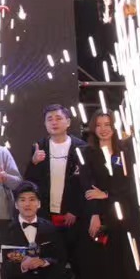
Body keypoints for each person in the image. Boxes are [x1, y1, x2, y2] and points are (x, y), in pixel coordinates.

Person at [78, 112, 140, 279]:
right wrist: (94, 214)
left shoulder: (126, 152)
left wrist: (107, 194)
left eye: (107, 124)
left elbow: (132, 184)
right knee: (104, 263)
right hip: (102, 215)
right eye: (98, 125)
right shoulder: (86, 153)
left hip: (127, 214)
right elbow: (88, 188)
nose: (103, 129)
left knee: (128, 261)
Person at [23, 104, 89, 246]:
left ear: (68, 122)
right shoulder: (39, 146)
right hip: (45, 213)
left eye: (58, 118)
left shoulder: (81, 148)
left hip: (72, 215)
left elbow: (85, 183)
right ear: (45, 123)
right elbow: (29, 182)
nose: (54, 122)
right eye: (50, 119)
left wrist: (75, 210)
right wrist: (34, 162)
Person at [0, 181, 69, 279]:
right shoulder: (4, 231)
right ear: (16, 205)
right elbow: (1, 264)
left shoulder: (50, 228)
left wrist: (43, 262)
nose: (27, 204)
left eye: (32, 199)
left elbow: (61, 258)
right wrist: (23, 266)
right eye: (22, 200)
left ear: (39, 203)